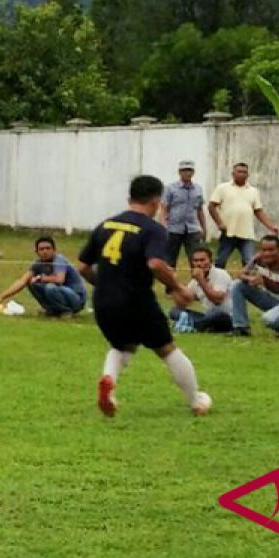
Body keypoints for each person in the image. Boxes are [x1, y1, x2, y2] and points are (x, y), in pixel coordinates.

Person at [77, 175, 212, 418]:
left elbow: (83, 267)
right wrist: (177, 288)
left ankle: (109, 380)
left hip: (104, 301)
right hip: (136, 301)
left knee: (122, 345)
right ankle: (196, 400)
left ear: (130, 198)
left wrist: (107, 285)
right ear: (157, 201)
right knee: (168, 349)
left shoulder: (105, 225)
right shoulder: (152, 229)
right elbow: (156, 264)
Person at [228, 235, 279, 338]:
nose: (267, 253)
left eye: (271, 250)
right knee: (237, 285)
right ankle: (241, 328)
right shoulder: (258, 259)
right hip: (272, 299)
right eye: (264, 250)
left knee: (267, 319)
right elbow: (240, 274)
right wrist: (250, 279)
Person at [0, 236, 87, 317]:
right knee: (31, 283)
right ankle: (51, 310)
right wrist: (1, 297)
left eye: (48, 248)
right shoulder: (38, 264)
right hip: (60, 292)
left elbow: (59, 279)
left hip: (76, 298)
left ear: (54, 250)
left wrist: (40, 278)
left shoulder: (59, 260)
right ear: (36, 252)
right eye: (41, 249)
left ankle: (66, 311)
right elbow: (22, 281)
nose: (45, 251)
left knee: (50, 287)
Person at [208, 163, 278, 269]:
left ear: (248, 175)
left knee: (249, 261)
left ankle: (247, 283)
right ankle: (217, 283)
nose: (241, 174)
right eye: (239, 172)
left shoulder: (253, 191)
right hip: (228, 232)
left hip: (247, 234)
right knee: (221, 261)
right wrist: (219, 223)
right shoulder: (222, 188)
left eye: (244, 172)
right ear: (233, 173)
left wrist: (271, 226)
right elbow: (211, 206)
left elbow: (258, 211)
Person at [168, 246, 234, 333]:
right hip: (207, 317)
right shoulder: (194, 281)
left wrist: (201, 280)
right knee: (174, 311)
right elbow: (184, 302)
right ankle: (195, 325)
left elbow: (217, 300)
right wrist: (172, 282)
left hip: (226, 317)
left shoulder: (221, 274)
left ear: (210, 261)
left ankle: (191, 325)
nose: (199, 264)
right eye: (196, 261)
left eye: (202, 260)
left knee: (216, 312)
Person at [160, 160, 207, 268]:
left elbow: (200, 210)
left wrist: (204, 228)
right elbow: (164, 208)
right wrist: (163, 225)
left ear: (193, 172)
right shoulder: (170, 188)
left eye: (189, 170)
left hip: (192, 229)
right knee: (170, 260)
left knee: (196, 259)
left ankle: (198, 283)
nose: (187, 173)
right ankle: (170, 284)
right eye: (184, 170)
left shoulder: (198, 189)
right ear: (179, 172)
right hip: (173, 228)